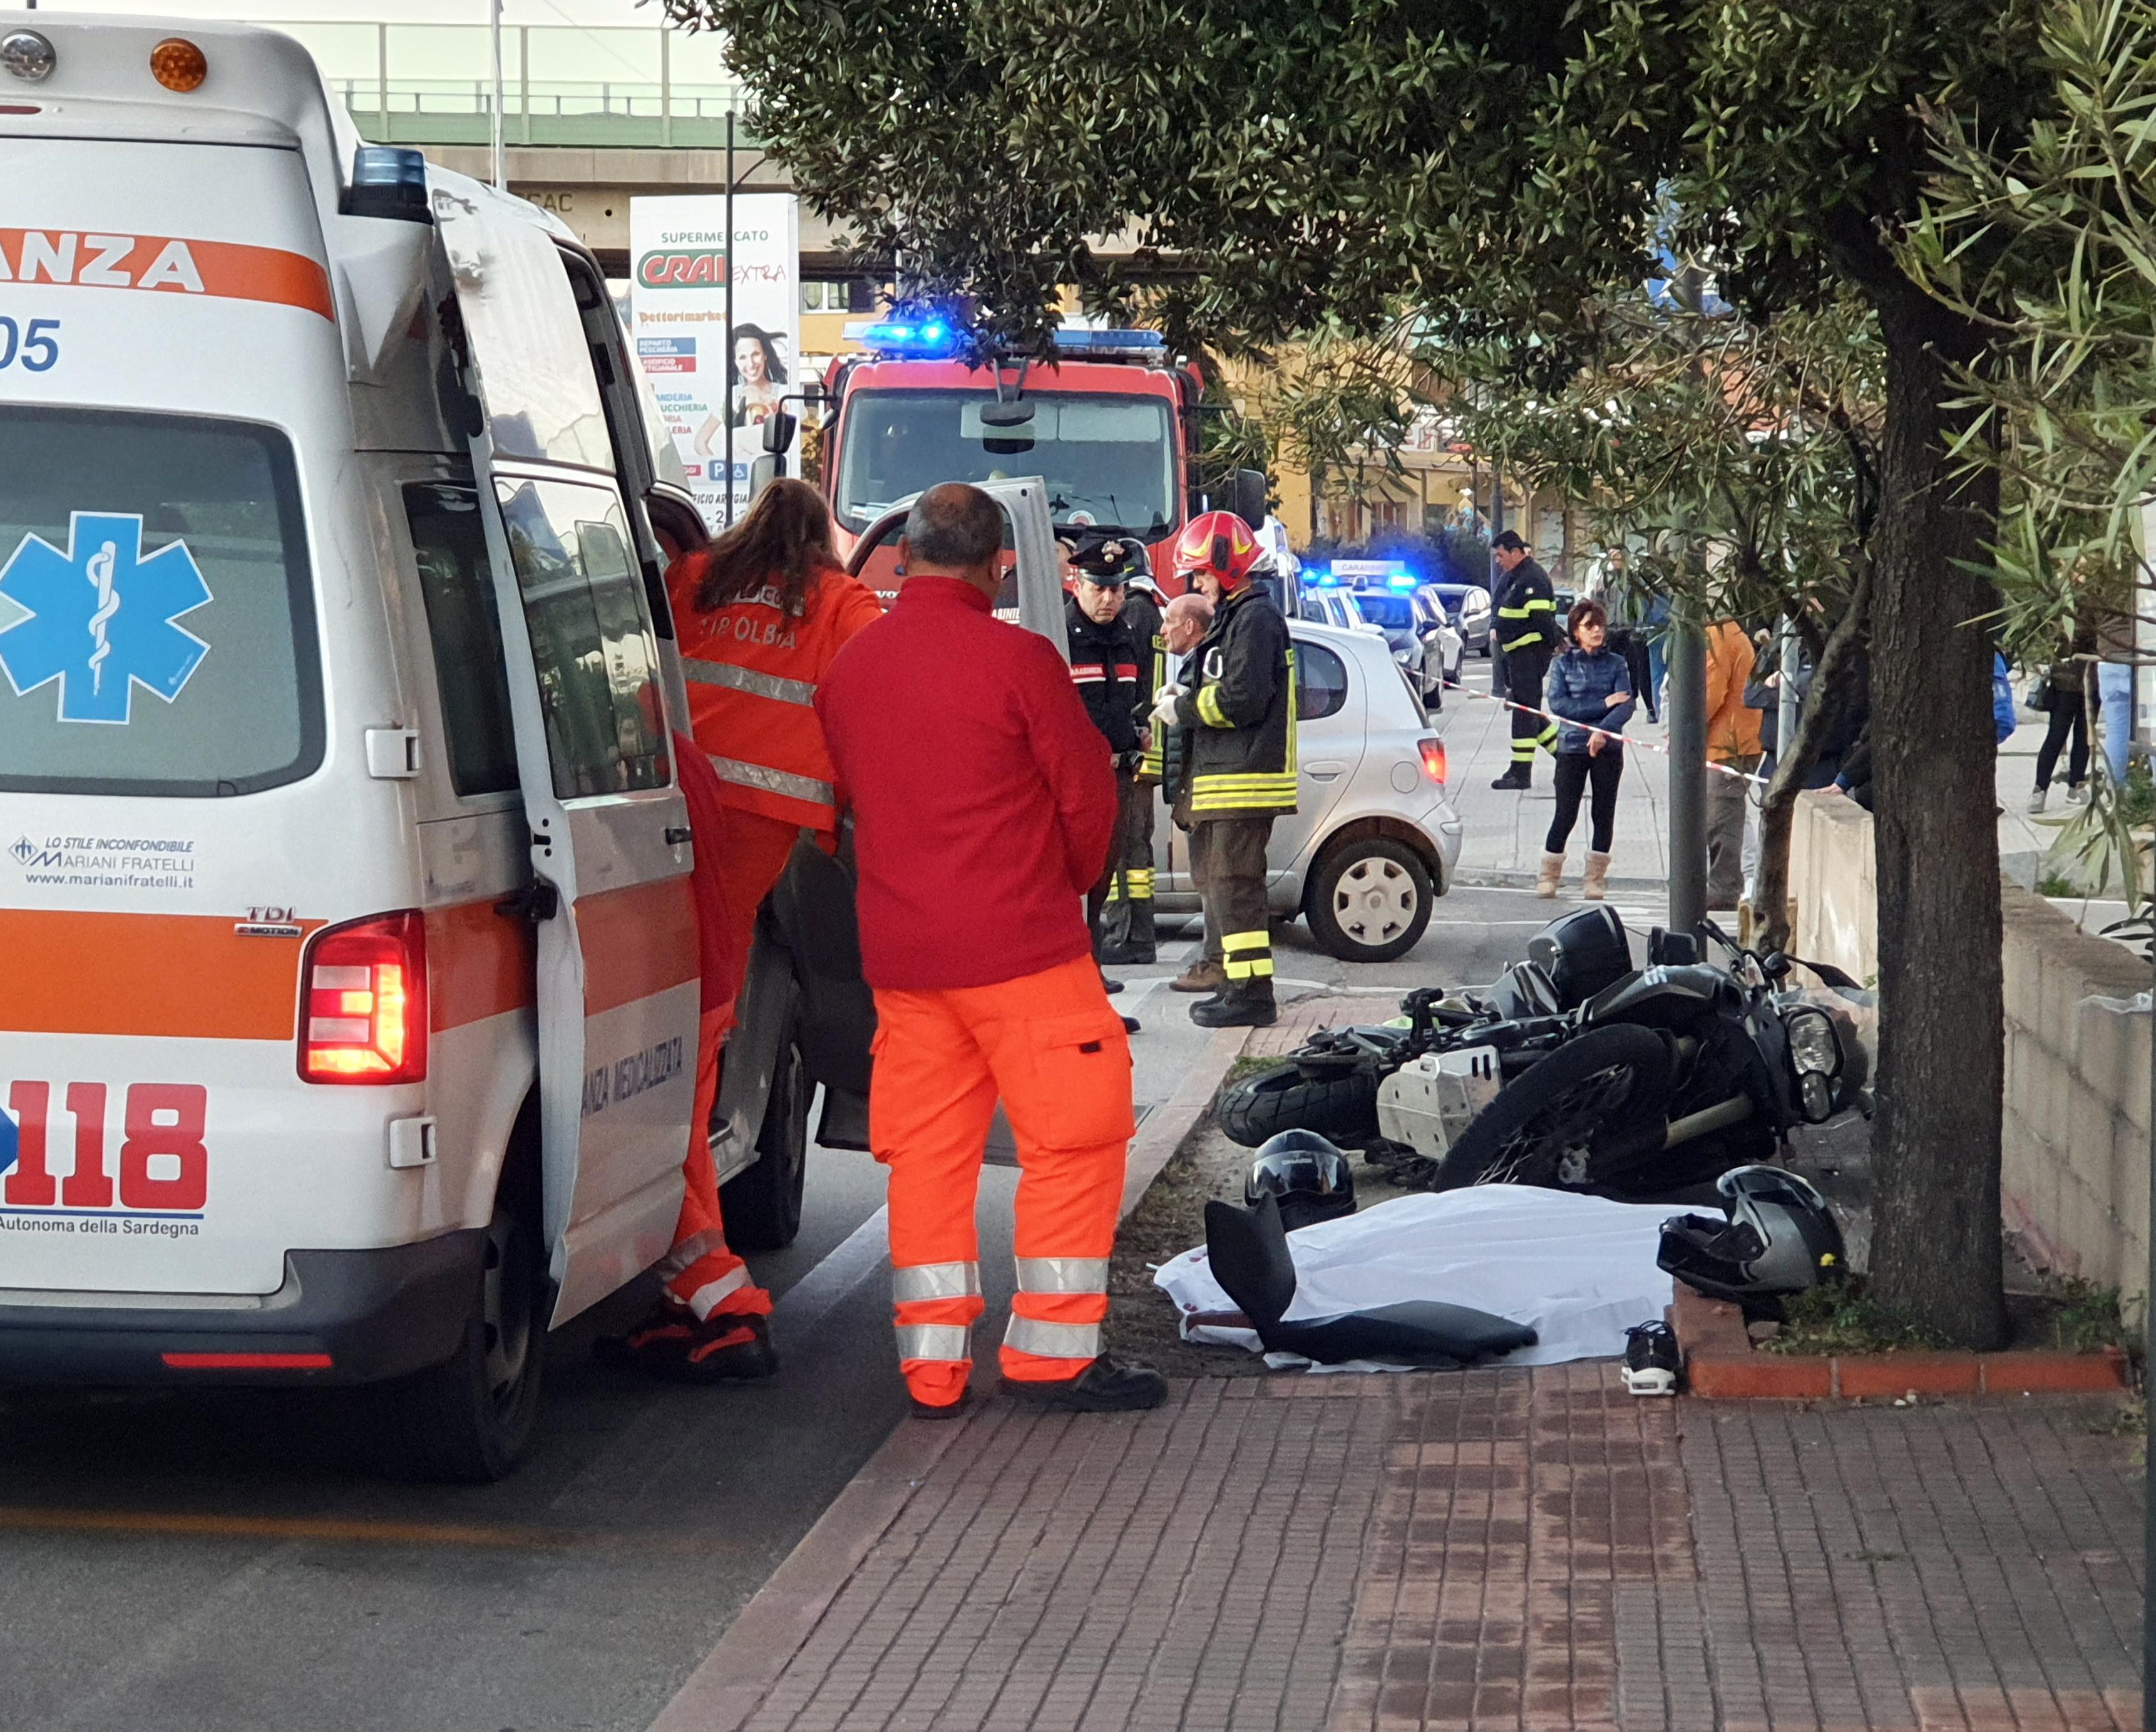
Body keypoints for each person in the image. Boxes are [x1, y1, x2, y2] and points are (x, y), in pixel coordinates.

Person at [816, 483, 1167, 1420]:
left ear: (905, 555)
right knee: (1075, 1138)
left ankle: (932, 1370)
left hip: (907, 961)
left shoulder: (853, 669)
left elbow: (841, 806)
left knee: (929, 1160)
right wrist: (1068, 886)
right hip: (1022, 951)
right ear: (998, 563)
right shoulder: (1021, 662)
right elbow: (1087, 798)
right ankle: (1050, 1353)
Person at [595, 737, 776, 1381]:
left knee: (654, 1150)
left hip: (676, 982)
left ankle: (727, 1302)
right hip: (705, 978)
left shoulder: (627, 757)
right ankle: (689, 1305)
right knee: (685, 1148)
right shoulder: (684, 756)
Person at [666, 478, 885, 967]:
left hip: (680, 784)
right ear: (819, 538)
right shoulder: (840, 599)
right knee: (724, 936)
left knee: (672, 931)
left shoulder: (695, 573)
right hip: (767, 809)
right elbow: (886, 674)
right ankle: (717, 1041)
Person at [1159, 510, 1296, 1028]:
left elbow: (1242, 699)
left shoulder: (1255, 619)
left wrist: (1186, 709)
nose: (1198, 584)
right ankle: (1240, 986)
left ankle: (1252, 996)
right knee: (1227, 889)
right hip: (1227, 778)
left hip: (1244, 778)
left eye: (1200, 574)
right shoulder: (1239, 617)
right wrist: (1188, 695)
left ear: (1226, 566)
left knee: (1237, 887)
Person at [1065, 539, 1155, 976]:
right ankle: (1082, 976)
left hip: (1119, 777)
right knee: (1076, 885)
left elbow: (1136, 701)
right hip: (1077, 783)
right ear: (1076, 584)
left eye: (1116, 590)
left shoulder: (1128, 638)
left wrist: (1141, 729)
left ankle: (1093, 974)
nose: (1109, 598)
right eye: (1099, 588)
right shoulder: (1062, 637)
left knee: (1102, 884)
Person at [1539, 599, 1636, 901]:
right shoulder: (1563, 664)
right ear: (1576, 631)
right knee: (1565, 813)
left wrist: (1601, 731)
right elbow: (1560, 706)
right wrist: (1603, 704)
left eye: (1600, 626)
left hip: (1607, 747)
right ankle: (1548, 876)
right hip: (1571, 747)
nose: (1597, 631)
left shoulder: (1617, 664)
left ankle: (1595, 880)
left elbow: (1627, 704)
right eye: (1589, 626)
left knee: (1603, 812)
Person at [1104, 549, 1166, 964]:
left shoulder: (1136, 615)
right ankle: (1137, 933)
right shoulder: (1153, 613)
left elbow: (1128, 687)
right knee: (1135, 850)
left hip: (1137, 751)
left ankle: (1128, 935)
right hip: (1150, 747)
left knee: (1127, 850)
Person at [1488, 531, 1563, 789]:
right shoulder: (1514, 577)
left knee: (1524, 713)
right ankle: (1565, 756)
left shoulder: (1533, 578)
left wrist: (1554, 645)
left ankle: (1521, 773)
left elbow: (1543, 621)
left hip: (1529, 656)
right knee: (1528, 710)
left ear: (1516, 552)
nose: (1498, 560)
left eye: (1501, 555)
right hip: (1517, 655)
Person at [1704, 617, 1764, 910]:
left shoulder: (1718, 637)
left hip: (1728, 742)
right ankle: (1723, 884)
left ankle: (1724, 887)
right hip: (1734, 739)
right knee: (1723, 814)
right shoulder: (1729, 633)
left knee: (1722, 818)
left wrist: (1686, 727)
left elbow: (1709, 694)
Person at [2030, 622, 2097, 812]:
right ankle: (2041, 788)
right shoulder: (2068, 613)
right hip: (2065, 682)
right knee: (2057, 736)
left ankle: (2075, 785)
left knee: (2082, 737)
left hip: (2087, 681)